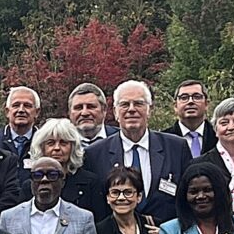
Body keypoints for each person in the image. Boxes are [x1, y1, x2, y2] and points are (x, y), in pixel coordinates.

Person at [83, 81, 194, 223]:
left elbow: (188, 197)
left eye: (138, 103)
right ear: (115, 112)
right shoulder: (94, 154)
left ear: (150, 109)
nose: (131, 109)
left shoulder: (176, 147)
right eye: (124, 104)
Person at [31, 120, 103, 216]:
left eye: (63, 143)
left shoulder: (90, 183)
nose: (57, 148)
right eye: (51, 143)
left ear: (73, 147)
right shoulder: (31, 183)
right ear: (42, 148)